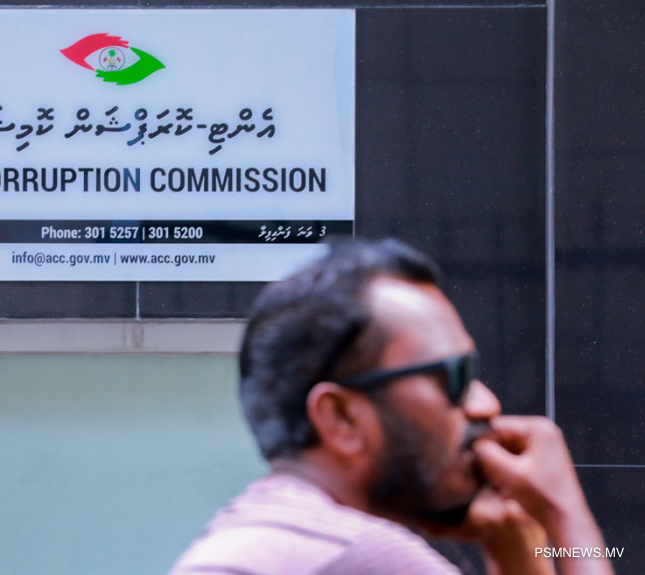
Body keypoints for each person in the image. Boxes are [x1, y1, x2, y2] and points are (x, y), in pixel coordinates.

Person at [171, 238, 611, 575]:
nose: (485, 404)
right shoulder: (365, 555)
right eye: (453, 377)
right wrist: (564, 513)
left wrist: (512, 543)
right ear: (341, 418)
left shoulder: (254, 535)